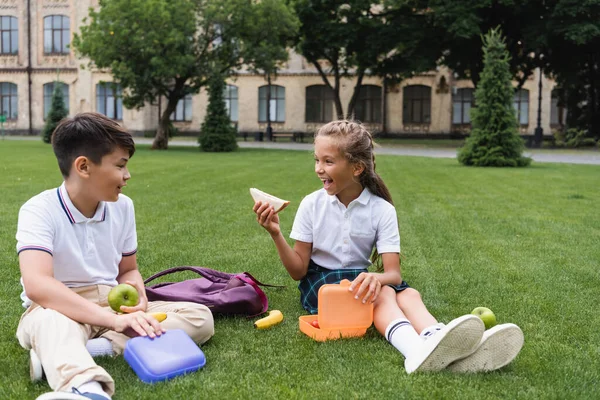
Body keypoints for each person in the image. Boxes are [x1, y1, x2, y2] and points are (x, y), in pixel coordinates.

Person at [253, 120, 523, 374]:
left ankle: (436, 337)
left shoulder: (381, 210)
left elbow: (394, 275)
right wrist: (275, 233)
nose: (318, 169)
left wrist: (376, 277)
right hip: (321, 287)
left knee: (409, 295)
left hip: (361, 279)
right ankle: (415, 351)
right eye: (317, 160)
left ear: (357, 168)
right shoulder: (312, 205)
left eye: (328, 161)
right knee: (382, 295)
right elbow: (298, 271)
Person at [16, 113, 214, 400]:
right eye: (120, 165)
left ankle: (84, 349)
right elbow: (38, 285)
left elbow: (128, 270)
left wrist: (139, 297)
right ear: (83, 166)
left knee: (200, 316)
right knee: (51, 325)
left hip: (113, 306)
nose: (127, 175)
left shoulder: (123, 207)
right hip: (57, 308)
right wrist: (115, 323)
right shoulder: (39, 210)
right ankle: (87, 390)